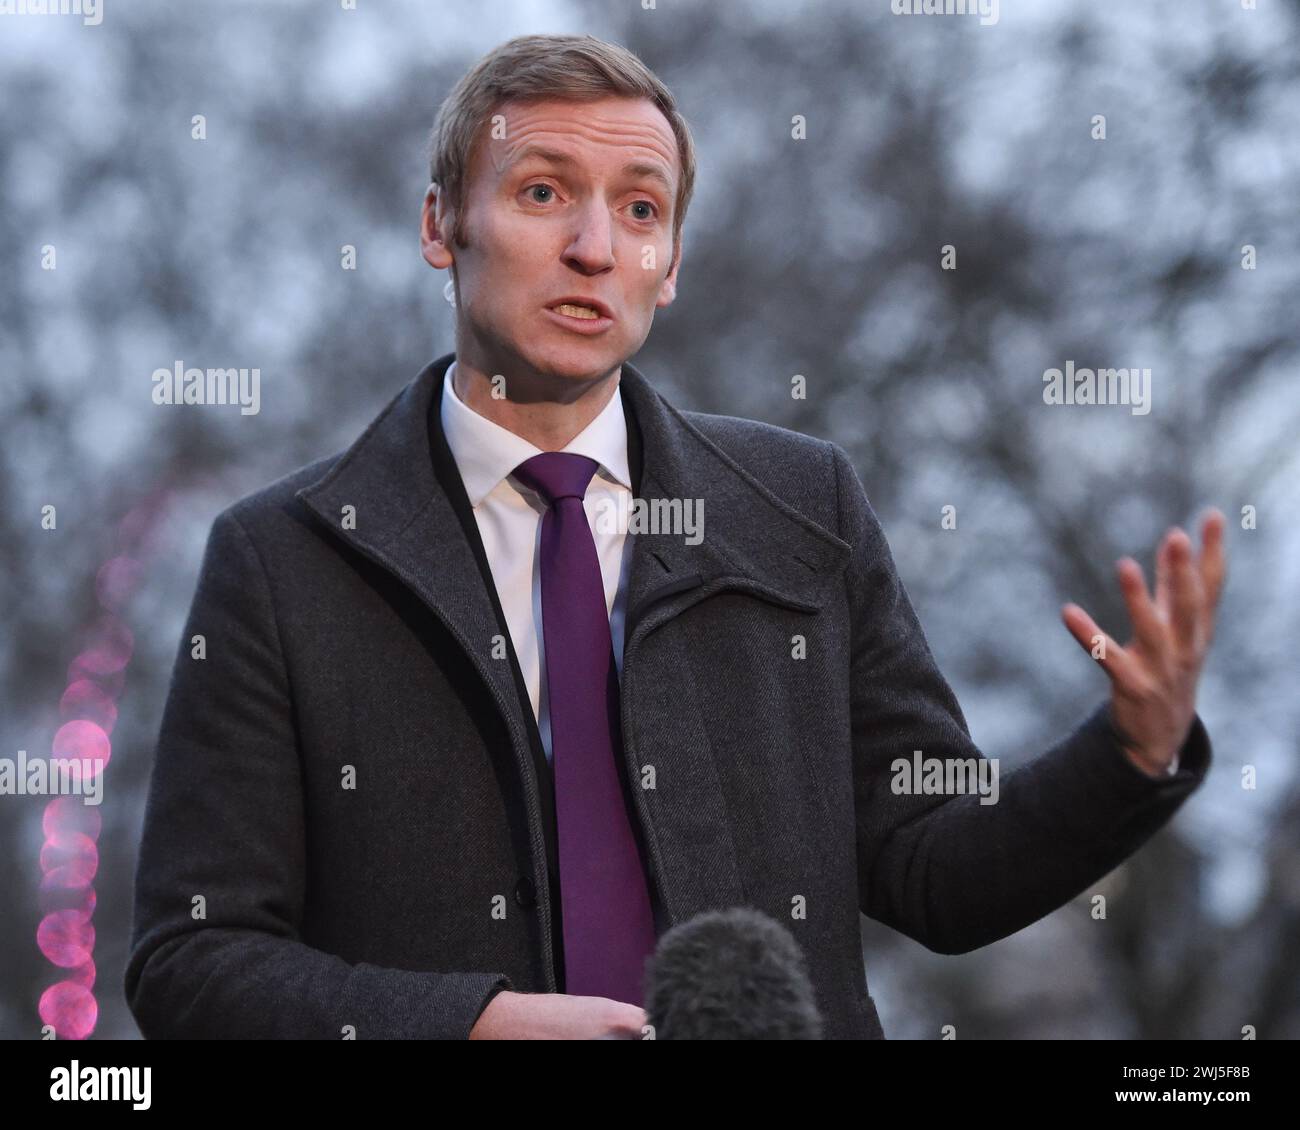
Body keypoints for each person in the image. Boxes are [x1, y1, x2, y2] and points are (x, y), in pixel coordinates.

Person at [125, 33, 1226, 1040]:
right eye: (544, 192)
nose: (594, 247)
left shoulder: (804, 507)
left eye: (640, 209)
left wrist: (1129, 754)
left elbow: (934, 867)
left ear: (673, 262)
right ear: (438, 225)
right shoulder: (282, 560)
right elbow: (193, 961)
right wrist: (470, 1024)